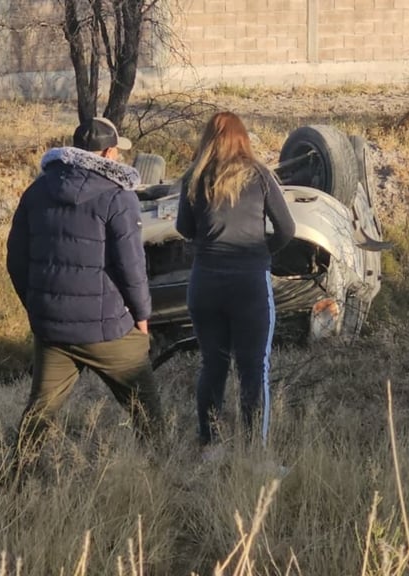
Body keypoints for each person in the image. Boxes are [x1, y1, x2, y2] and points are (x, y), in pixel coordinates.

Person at [6, 116, 163, 471]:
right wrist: (142, 317)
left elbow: (15, 258)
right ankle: (162, 475)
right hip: (107, 329)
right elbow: (131, 266)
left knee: (39, 414)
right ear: (108, 152)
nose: (119, 159)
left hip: (54, 331)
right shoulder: (118, 196)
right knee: (147, 409)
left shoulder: (38, 189)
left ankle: (11, 482)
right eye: (117, 153)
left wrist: (37, 307)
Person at [175, 111, 296, 454]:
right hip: (249, 283)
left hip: (205, 283)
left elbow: (184, 229)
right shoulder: (259, 175)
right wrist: (261, 251)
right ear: (243, 138)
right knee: (253, 368)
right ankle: (254, 453)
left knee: (212, 364)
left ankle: (209, 445)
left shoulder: (193, 177)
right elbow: (287, 228)